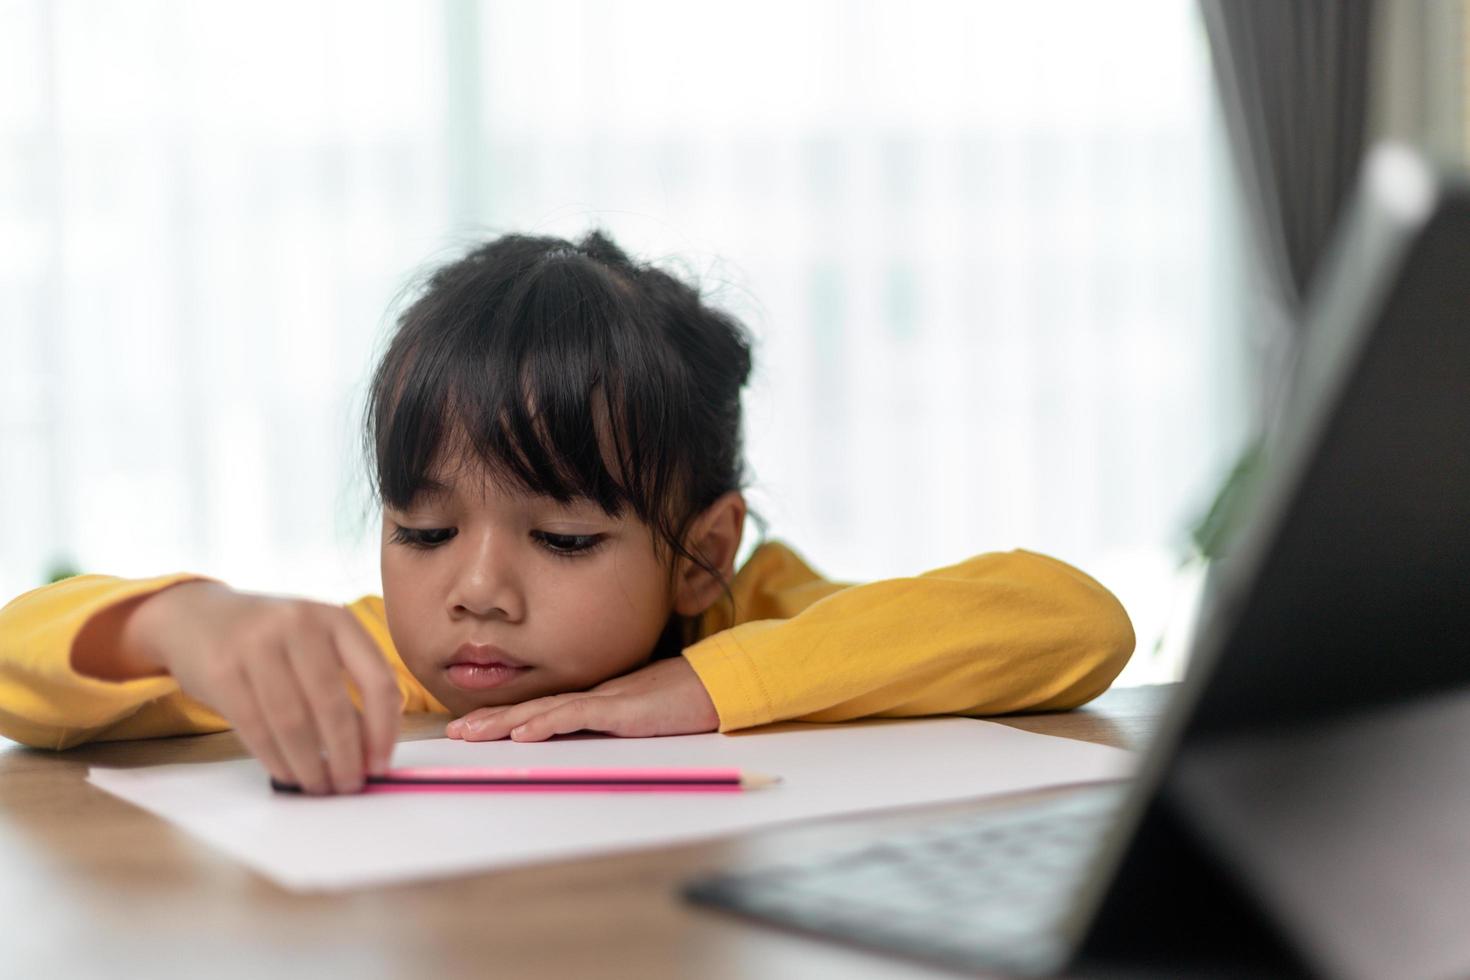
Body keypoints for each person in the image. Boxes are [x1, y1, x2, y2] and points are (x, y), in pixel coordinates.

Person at [0, 231, 1135, 796]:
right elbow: (15, 663)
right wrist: (184, 621)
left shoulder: (763, 618)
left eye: (565, 538)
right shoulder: (376, 663)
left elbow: (1076, 621)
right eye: (424, 529)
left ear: (702, 553)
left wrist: (704, 685)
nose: (476, 587)